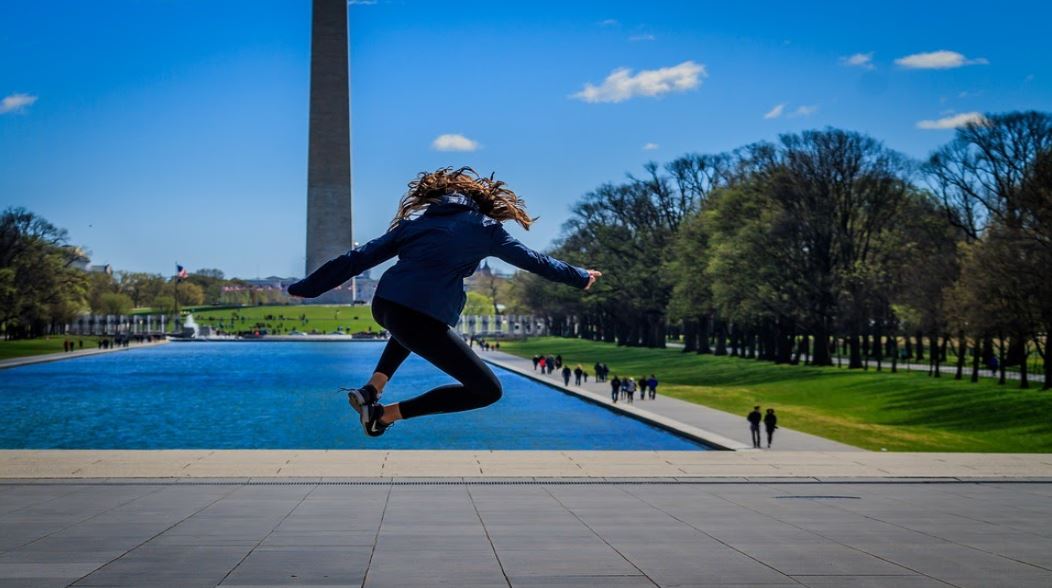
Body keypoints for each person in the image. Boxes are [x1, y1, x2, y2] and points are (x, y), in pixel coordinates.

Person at [289, 167, 602, 436]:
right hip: (421, 313)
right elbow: (535, 261)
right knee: (487, 390)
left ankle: (371, 389)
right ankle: (384, 415)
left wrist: (310, 286)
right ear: (482, 202)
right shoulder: (486, 229)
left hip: (387, 304)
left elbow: (358, 257)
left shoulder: (415, 224)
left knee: (411, 328)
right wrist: (578, 276)